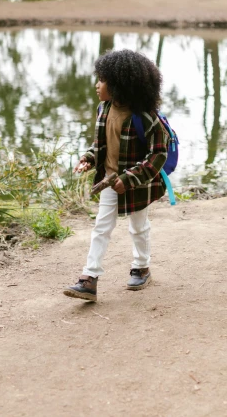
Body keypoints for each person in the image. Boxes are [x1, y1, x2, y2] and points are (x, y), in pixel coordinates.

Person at [63, 49, 169, 302]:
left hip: (138, 184)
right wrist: (89, 158)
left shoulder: (146, 118)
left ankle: (142, 267)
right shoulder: (104, 109)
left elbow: (158, 154)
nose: (97, 85)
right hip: (109, 180)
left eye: (102, 80)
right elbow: (100, 144)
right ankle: (89, 279)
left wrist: (131, 178)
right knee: (101, 227)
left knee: (138, 226)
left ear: (120, 83)